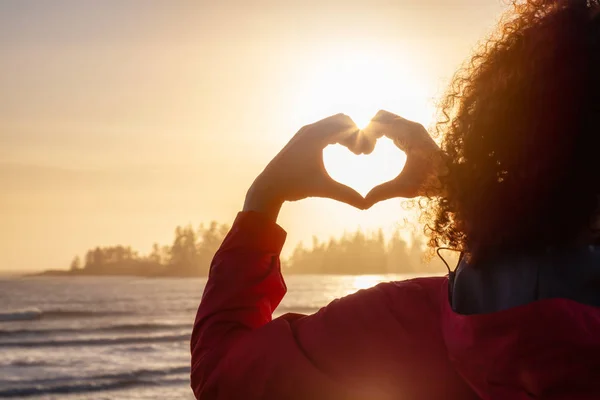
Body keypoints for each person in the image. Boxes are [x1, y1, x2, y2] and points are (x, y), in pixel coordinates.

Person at [190, 0, 600, 398]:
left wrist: (264, 198)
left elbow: (223, 375)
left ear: (496, 128)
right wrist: (464, 196)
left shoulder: (403, 324)